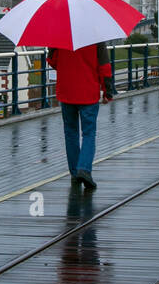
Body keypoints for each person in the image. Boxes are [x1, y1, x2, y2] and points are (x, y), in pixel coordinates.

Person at [47, 41, 114, 190]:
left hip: (66, 92)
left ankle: (75, 173)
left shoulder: (61, 36)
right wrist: (107, 91)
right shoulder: (96, 38)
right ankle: (84, 169)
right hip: (88, 92)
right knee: (89, 133)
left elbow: (52, 61)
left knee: (70, 133)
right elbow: (104, 67)